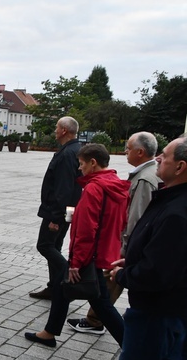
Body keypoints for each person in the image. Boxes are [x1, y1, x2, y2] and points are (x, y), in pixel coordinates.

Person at [107, 136, 187, 360]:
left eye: (164, 156)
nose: (158, 160)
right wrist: (134, 260)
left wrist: (126, 274)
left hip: (156, 312)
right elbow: (163, 252)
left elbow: (159, 272)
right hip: (166, 310)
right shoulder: (172, 197)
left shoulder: (178, 211)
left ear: (180, 167)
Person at [24, 144, 129, 348]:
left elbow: (86, 230)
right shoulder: (115, 184)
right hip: (104, 250)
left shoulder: (94, 188)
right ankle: (49, 332)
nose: (79, 169)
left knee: (102, 304)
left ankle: (131, 347)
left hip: (91, 254)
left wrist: (76, 262)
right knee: (64, 288)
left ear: (93, 163)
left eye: (81, 164)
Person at [67, 132, 159, 335]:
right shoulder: (122, 179)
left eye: (128, 148)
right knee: (101, 294)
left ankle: (115, 335)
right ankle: (63, 327)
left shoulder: (143, 179)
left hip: (111, 250)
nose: (125, 152)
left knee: (102, 296)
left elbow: (135, 218)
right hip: (110, 247)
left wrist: (126, 247)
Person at [29, 117, 82, 300]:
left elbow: (64, 188)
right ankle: (55, 287)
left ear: (64, 131)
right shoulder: (73, 149)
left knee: (45, 245)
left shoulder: (68, 154)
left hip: (58, 211)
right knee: (54, 246)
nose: (55, 131)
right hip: (64, 210)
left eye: (57, 128)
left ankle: (68, 275)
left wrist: (55, 217)